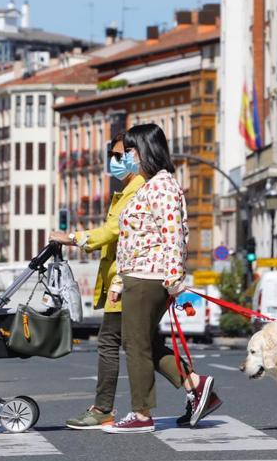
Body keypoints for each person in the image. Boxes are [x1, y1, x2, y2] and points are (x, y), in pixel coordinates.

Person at [101, 123, 221, 434]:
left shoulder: (164, 187)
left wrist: (173, 281)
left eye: (130, 151)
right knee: (146, 343)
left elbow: (174, 236)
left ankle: (141, 414)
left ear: (145, 150)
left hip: (149, 277)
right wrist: (117, 283)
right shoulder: (147, 185)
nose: (126, 157)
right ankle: (196, 385)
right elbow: (131, 240)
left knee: (136, 345)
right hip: (135, 276)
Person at [50, 133, 144, 430]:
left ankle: (103, 408)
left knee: (108, 342)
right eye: (113, 156)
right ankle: (196, 385)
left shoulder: (136, 190)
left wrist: (72, 238)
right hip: (124, 277)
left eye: (120, 156)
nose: (114, 162)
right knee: (146, 344)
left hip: (125, 278)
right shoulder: (129, 189)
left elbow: (111, 231)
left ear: (136, 156)